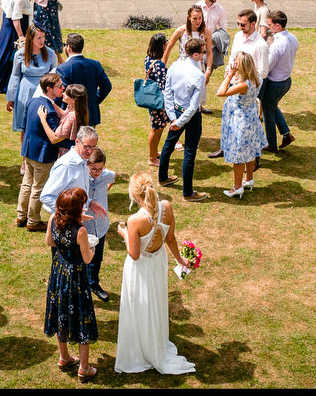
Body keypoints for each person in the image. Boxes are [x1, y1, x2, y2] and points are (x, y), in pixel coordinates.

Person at [113, 173, 195, 375]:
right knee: (155, 302)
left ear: (134, 194)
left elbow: (133, 254)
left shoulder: (134, 220)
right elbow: (170, 238)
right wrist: (180, 260)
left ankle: (141, 349)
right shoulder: (166, 207)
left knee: (139, 304)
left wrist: (123, 233)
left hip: (141, 269)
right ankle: (154, 341)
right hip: (158, 263)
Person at [44, 186, 99, 383]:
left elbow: (50, 241)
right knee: (81, 318)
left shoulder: (52, 219)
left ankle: (64, 356)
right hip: (76, 278)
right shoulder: (81, 232)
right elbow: (86, 259)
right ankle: (84, 368)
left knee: (61, 313)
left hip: (58, 273)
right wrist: (91, 246)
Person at [157, 37, 210, 202]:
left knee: (169, 144)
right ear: (195, 54)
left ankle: (163, 177)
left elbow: (168, 91)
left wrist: (173, 118)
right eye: (203, 52)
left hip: (176, 113)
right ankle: (187, 192)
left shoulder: (175, 65)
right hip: (190, 117)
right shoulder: (199, 76)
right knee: (189, 152)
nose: (204, 55)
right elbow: (194, 107)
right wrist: (179, 122)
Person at [214, 7, 269, 160]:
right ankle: (225, 147)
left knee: (246, 122)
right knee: (228, 115)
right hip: (233, 81)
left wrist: (244, 77)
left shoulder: (260, 45)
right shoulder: (238, 36)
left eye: (243, 24)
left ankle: (252, 156)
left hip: (246, 87)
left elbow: (263, 72)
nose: (240, 27)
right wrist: (229, 71)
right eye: (238, 23)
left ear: (253, 24)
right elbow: (232, 56)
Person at [17, 73, 70, 230]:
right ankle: (33, 221)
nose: (63, 88)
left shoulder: (33, 101)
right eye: (59, 86)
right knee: (38, 188)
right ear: (49, 89)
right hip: (42, 155)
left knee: (27, 184)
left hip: (29, 150)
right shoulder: (49, 111)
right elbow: (54, 137)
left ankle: (21, 216)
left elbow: (25, 126)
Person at [217, 52, 266, 198]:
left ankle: (237, 187)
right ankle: (249, 178)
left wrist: (230, 75)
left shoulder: (243, 85)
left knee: (238, 157)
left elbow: (220, 92)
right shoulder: (257, 78)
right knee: (250, 151)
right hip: (250, 118)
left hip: (240, 122)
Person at [7, 25, 58, 157]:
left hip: (44, 92)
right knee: (26, 126)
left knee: (45, 122)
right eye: (38, 38)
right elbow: (15, 75)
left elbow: (55, 75)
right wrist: (11, 98)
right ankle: (25, 158)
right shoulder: (20, 54)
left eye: (43, 37)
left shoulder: (50, 53)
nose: (42, 41)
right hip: (26, 92)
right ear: (31, 38)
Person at [261, 10, 299, 153]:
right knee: (272, 106)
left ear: (277, 26)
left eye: (270, 25)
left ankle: (271, 144)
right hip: (286, 80)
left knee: (268, 112)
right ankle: (286, 134)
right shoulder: (292, 37)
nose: (268, 28)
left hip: (275, 83)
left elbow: (267, 67)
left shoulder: (277, 44)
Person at [57, 33, 112, 128]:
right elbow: (107, 86)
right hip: (90, 114)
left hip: (70, 115)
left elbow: (60, 92)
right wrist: (94, 100)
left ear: (68, 48)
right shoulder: (95, 65)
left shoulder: (63, 69)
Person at [83, 147, 116, 302]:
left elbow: (114, 177)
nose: (96, 172)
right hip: (85, 227)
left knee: (97, 258)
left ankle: (94, 284)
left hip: (101, 226)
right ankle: (81, 288)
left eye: (100, 169)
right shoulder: (81, 178)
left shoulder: (106, 175)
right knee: (83, 259)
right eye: (93, 169)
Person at [197, 0, 229, 106]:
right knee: (196, 77)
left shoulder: (219, 9)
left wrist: (212, 39)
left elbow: (223, 28)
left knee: (205, 77)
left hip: (211, 47)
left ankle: (199, 105)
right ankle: (194, 105)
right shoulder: (197, 7)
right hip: (197, 47)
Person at [142, 33, 171, 167]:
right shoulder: (158, 64)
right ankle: (152, 158)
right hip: (159, 102)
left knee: (159, 127)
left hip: (153, 99)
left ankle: (154, 152)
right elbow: (163, 85)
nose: (168, 43)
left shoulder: (148, 58)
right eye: (166, 41)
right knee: (156, 128)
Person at [53, 84, 88, 157]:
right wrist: (52, 103)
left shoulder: (71, 117)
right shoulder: (75, 108)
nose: (63, 94)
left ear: (73, 100)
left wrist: (42, 119)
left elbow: (55, 138)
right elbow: (64, 114)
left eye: (66, 94)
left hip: (66, 153)